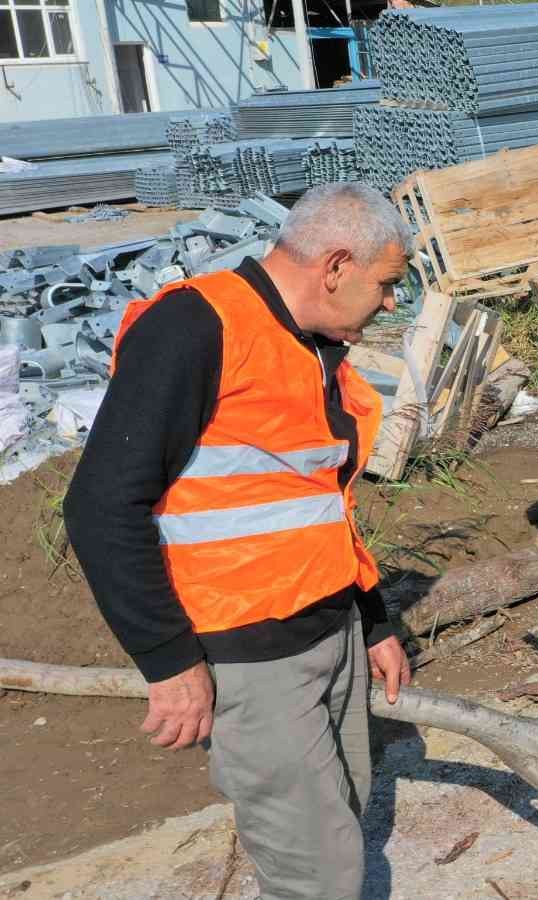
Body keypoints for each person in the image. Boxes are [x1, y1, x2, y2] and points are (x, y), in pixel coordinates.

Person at [63, 183, 414, 900]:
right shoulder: (197, 327)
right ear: (336, 265)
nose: (390, 304)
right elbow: (101, 506)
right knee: (316, 872)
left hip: (331, 629)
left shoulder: (313, 344)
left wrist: (373, 618)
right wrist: (169, 662)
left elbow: (318, 503)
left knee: (340, 824)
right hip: (251, 653)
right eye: (387, 284)